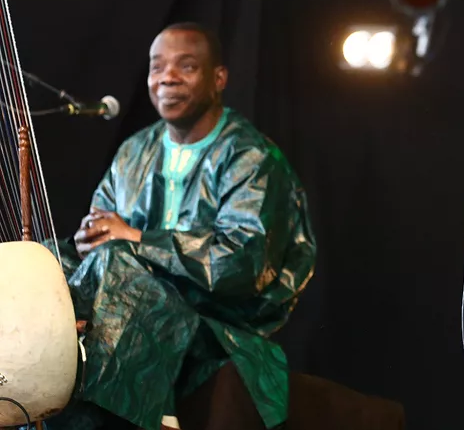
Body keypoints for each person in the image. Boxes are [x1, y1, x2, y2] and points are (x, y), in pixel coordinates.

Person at [52, 22, 317, 430]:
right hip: (128, 300)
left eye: (186, 66)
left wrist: (137, 238)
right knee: (42, 262)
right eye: (157, 67)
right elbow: (103, 232)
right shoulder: (134, 151)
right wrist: (86, 240)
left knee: (120, 269)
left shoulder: (252, 158)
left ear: (219, 78)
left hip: (217, 322)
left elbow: (241, 265)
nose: (167, 77)